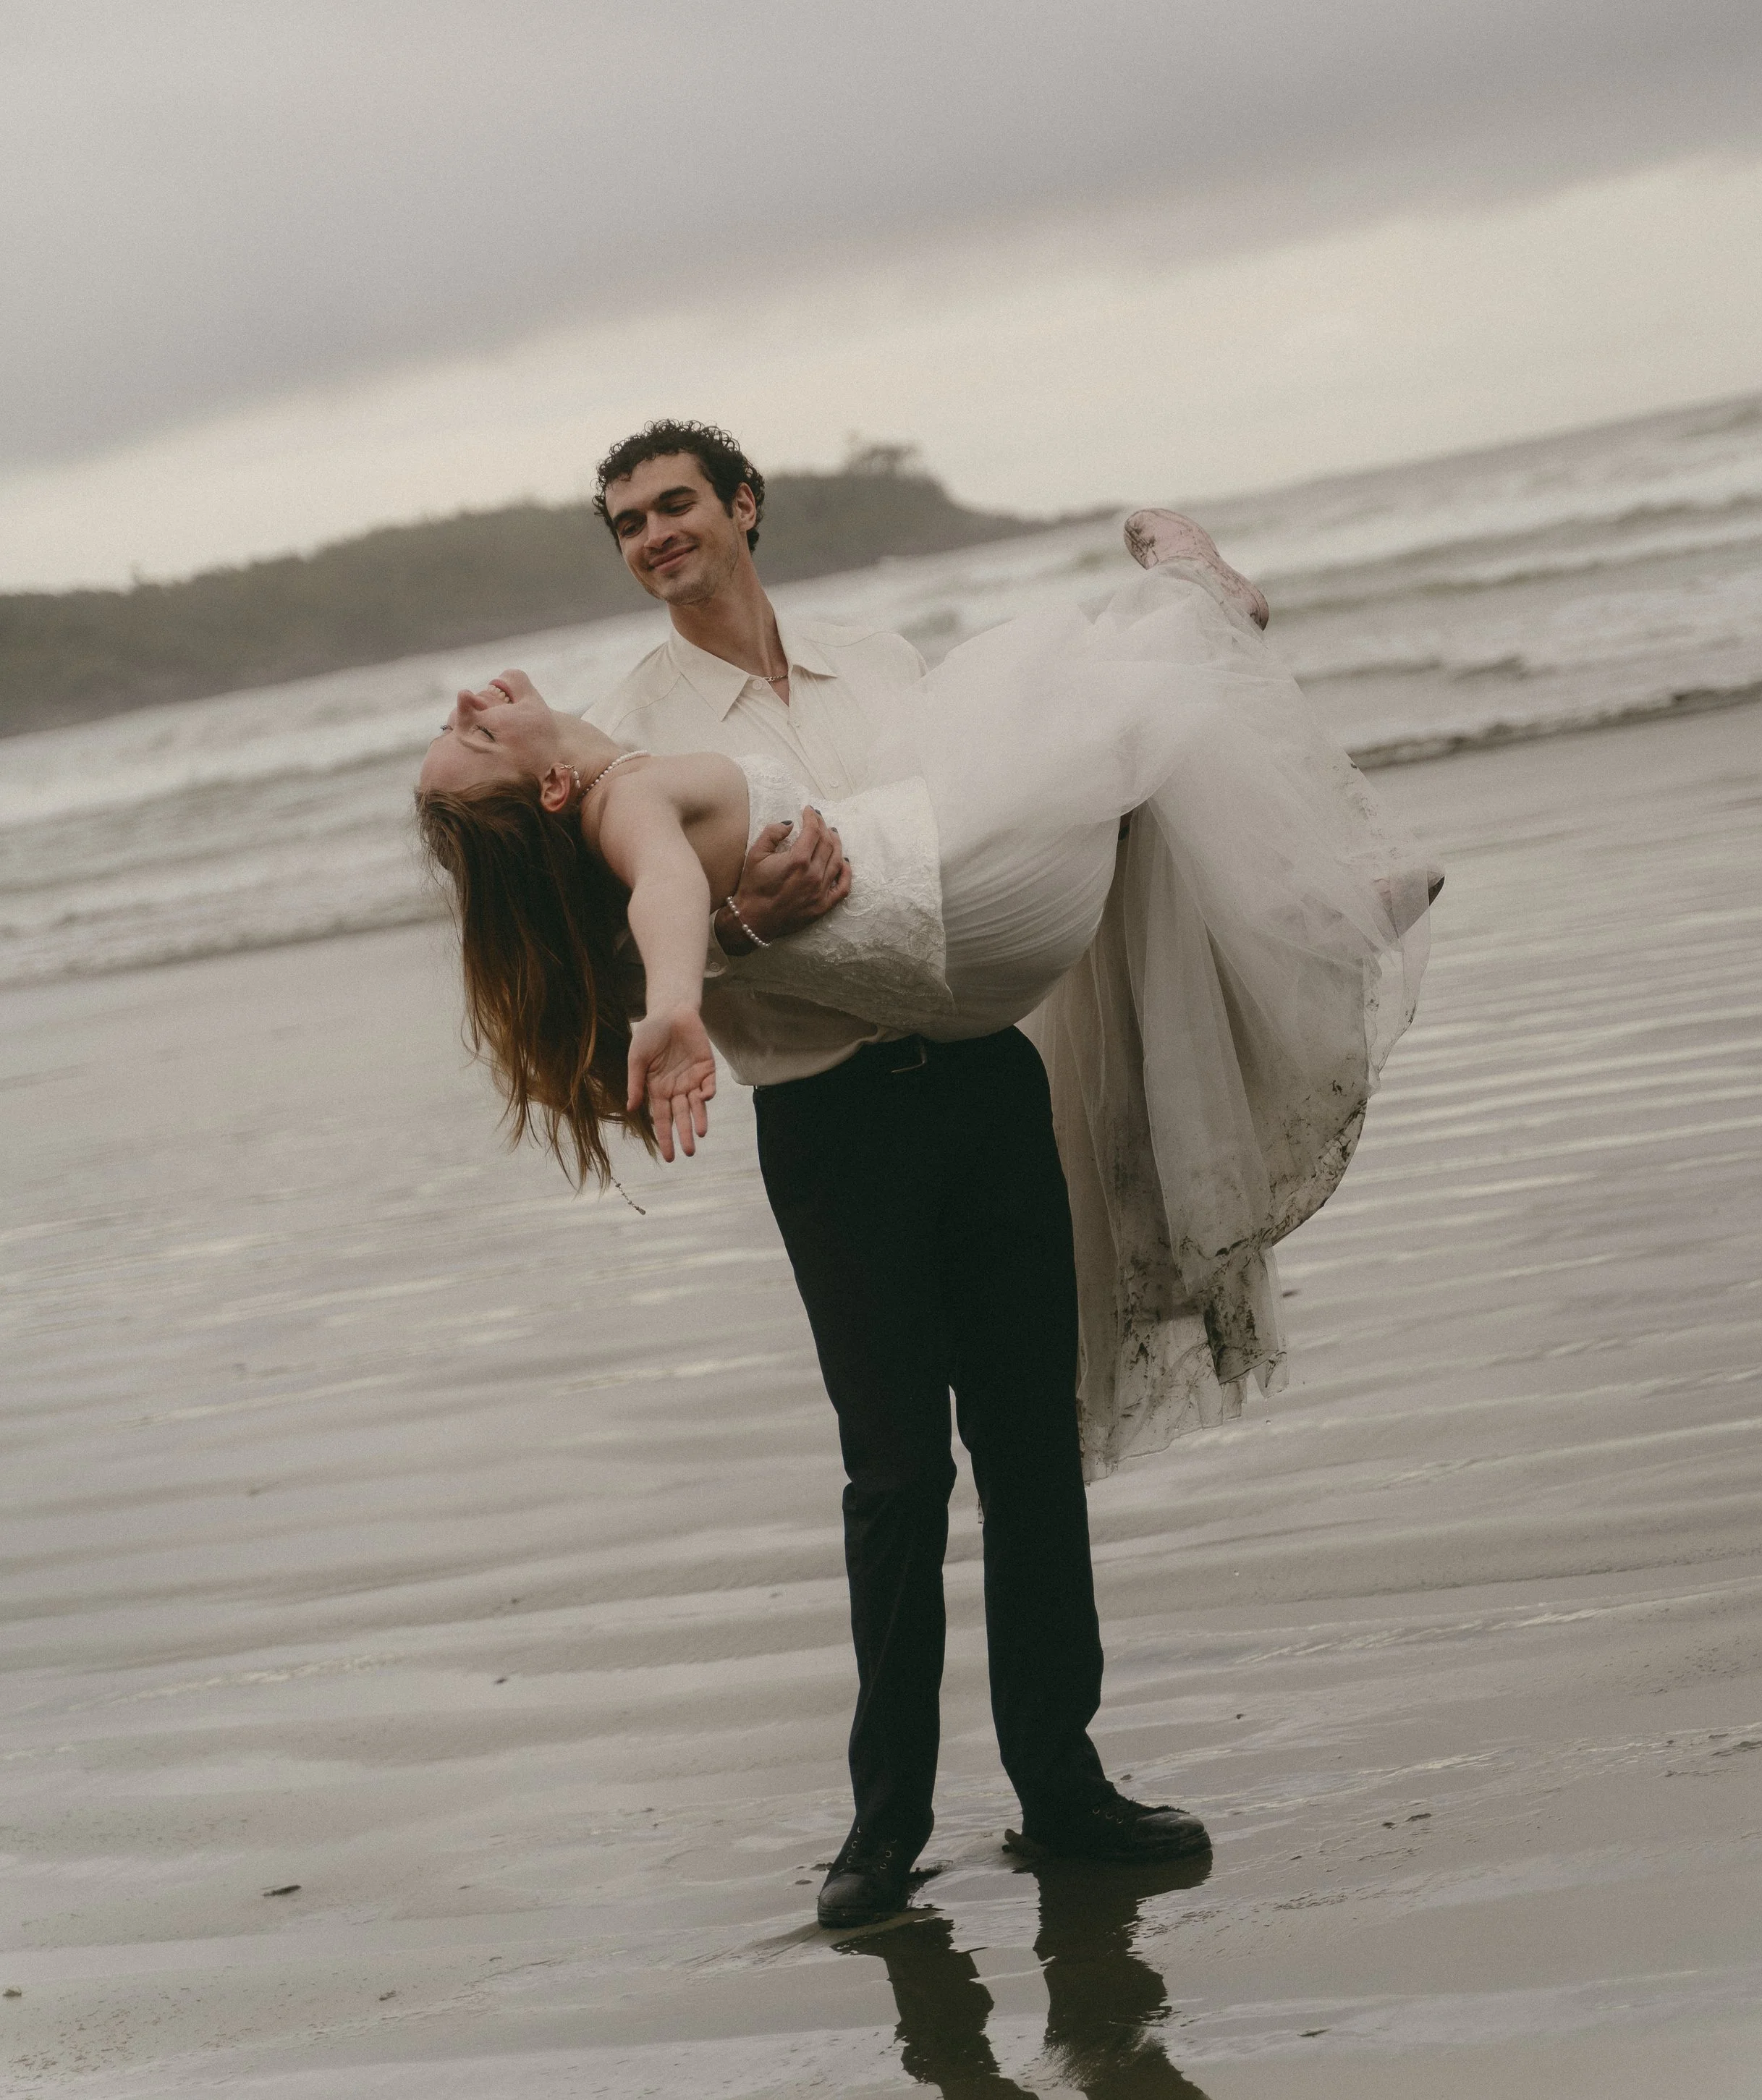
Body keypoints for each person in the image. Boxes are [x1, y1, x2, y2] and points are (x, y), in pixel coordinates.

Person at [417, 421, 1433, 1928]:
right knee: (894, 1473)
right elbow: (622, 956)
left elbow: (989, 840)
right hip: (832, 1129)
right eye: (625, 523)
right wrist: (741, 937)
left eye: (675, 504)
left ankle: (1061, 1785)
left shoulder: (879, 659)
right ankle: (882, 1827)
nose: (653, 536)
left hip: (978, 1078)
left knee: (1031, 1444)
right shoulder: (618, 726)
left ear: (741, 507)